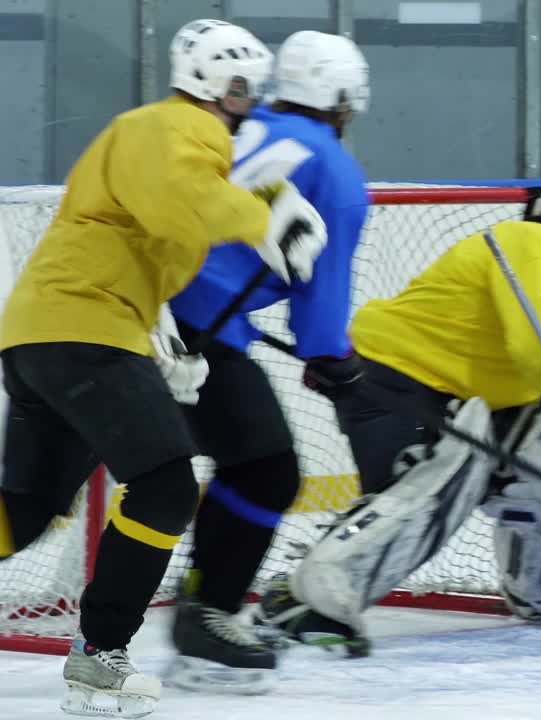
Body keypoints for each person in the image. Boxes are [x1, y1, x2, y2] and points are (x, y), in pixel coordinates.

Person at [0, 19, 326, 718]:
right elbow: (181, 202)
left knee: (22, 511)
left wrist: (165, 337)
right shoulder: (180, 127)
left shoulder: (171, 139)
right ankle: (99, 663)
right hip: (83, 332)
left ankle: (99, 660)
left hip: (49, 333)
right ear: (217, 82)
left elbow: (146, 238)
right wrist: (264, 217)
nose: (250, 102)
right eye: (243, 87)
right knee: (165, 487)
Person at [255, 179, 541, 656]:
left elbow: (520, 359)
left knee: (532, 447)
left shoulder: (534, 258)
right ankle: (305, 600)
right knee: (432, 481)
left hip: (417, 384)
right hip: (398, 377)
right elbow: (537, 338)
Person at [164, 30, 371, 693]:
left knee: (46, 482)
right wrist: (334, 360)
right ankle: (208, 625)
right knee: (266, 471)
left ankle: (205, 609)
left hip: (137, 304)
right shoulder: (332, 164)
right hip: (195, 328)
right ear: (342, 100)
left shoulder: (241, 123)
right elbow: (321, 303)